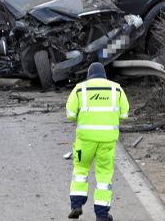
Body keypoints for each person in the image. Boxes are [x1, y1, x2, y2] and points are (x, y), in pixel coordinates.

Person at [65, 62, 129, 221]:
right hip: (107, 143)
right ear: (104, 75)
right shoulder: (116, 89)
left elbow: (70, 114)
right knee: (104, 177)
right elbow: (124, 114)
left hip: (83, 143)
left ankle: (76, 205)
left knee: (80, 170)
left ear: (89, 75)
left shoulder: (80, 89)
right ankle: (101, 215)